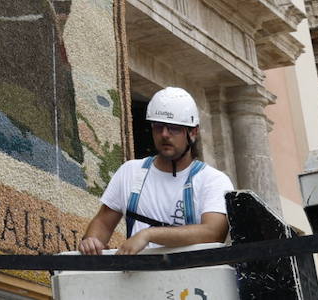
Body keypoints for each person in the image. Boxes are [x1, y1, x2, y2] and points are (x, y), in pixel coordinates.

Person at [78, 86, 233, 255]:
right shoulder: (130, 172)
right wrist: (91, 241)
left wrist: (149, 235)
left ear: (193, 132)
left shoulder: (213, 180)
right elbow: (103, 222)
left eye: (174, 128)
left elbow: (213, 232)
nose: (165, 134)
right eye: (158, 127)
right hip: (136, 277)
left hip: (192, 278)